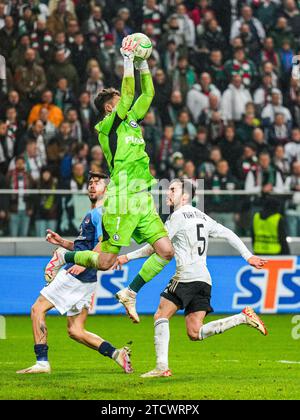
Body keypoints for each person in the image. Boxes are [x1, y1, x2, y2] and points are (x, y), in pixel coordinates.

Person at [44, 36, 174, 314]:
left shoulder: (131, 120)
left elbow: (147, 95)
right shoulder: (107, 126)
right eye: (118, 102)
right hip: (122, 195)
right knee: (105, 261)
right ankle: (62, 254)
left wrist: (142, 65)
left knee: (166, 251)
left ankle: (129, 292)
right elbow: (128, 96)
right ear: (110, 107)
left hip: (142, 196)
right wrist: (127, 61)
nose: (124, 104)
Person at [112, 179, 268, 377]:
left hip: (186, 276)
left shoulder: (177, 216)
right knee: (195, 332)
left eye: (173, 189)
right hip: (204, 279)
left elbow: (156, 247)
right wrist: (248, 256)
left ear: (184, 196)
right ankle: (242, 317)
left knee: (161, 315)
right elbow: (228, 233)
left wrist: (128, 256)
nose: (167, 193)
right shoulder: (202, 216)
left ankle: (161, 366)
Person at [17, 172, 132, 375]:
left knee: (37, 309)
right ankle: (116, 353)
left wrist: (85, 263)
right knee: (76, 330)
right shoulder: (96, 213)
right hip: (87, 280)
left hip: (78, 274)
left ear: (107, 189)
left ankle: (42, 363)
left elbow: (102, 245)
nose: (92, 185)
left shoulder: (99, 213)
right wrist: (63, 242)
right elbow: (84, 247)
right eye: (90, 183)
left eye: (97, 183)